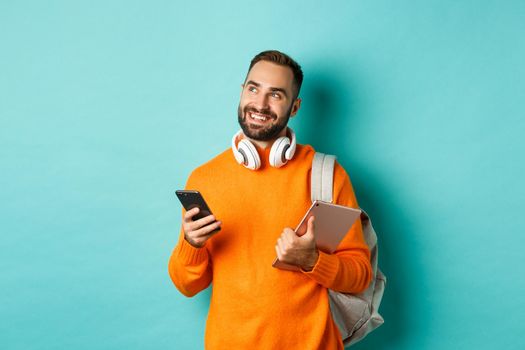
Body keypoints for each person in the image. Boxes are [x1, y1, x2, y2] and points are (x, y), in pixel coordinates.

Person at [168, 50, 373, 349]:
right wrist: (192, 244)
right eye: (253, 89)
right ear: (242, 92)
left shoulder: (327, 175)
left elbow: (360, 276)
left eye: (275, 95)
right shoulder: (205, 179)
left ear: (294, 107)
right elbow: (187, 286)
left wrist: (312, 261)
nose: (260, 104)